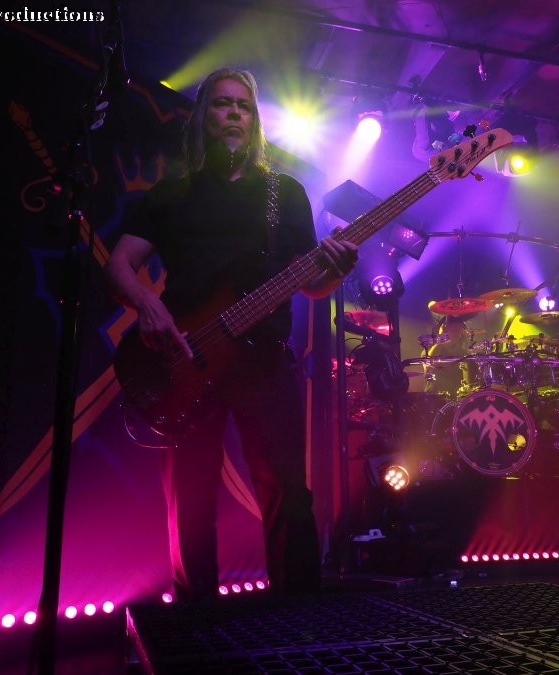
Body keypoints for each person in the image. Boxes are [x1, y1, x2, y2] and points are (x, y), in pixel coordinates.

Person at [104, 67, 358, 601]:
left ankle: (297, 620)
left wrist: (336, 270)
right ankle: (194, 621)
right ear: (203, 118)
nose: (234, 114)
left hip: (265, 363)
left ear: (255, 122)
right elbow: (120, 263)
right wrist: (149, 305)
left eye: (243, 106)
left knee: (289, 493)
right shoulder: (172, 194)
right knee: (190, 499)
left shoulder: (283, 193)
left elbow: (311, 285)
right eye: (222, 104)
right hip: (187, 360)